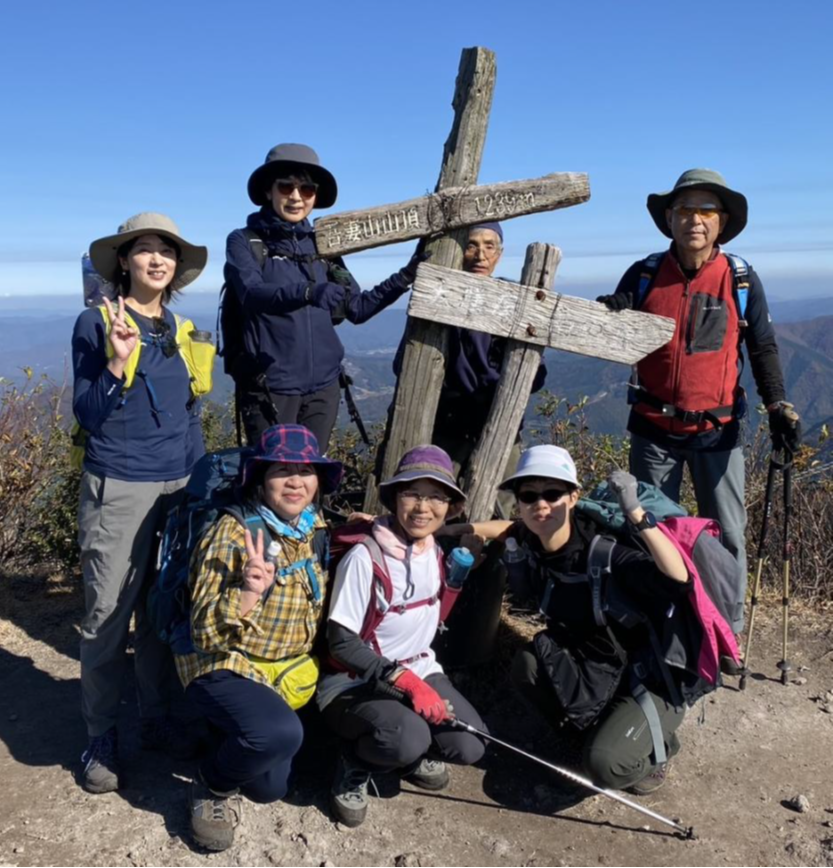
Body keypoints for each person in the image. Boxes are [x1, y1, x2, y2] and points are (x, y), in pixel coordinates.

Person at [597, 169, 801, 636]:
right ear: (669, 218)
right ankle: (661, 624)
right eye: (685, 209)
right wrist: (611, 309)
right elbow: (616, 317)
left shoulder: (740, 278)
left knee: (727, 535)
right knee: (651, 528)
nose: (695, 219)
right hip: (653, 428)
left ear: (722, 222)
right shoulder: (646, 274)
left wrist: (778, 407)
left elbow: (763, 346)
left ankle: (726, 625)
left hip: (719, 431)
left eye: (706, 209)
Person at [445, 445, 694, 794]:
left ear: (573, 497)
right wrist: (444, 531)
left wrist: (637, 514)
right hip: (591, 665)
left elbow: (677, 580)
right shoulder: (533, 537)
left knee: (606, 767)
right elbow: (508, 529)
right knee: (527, 665)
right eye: (528, 495)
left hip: (645, 676)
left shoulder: (605, 552)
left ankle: (657, 747)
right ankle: (591, 735)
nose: (540, 504)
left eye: (552, 493)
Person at [73, 213, 211, 794]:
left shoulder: (180, 328)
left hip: (177, 486)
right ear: (124, 262)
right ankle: (99, 735)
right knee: (107, 616)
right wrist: (117, 362)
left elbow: (187, 416)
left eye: (167, 252)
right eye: (145, 250)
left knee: (159, 613)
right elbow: (87, 412)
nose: (157, 259)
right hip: (120, 486)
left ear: (176, 268)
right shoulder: (96, 322)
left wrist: (202, 485)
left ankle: (154, 716)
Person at [174, 424, 343, 851]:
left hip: (284, 671)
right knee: (278, 736)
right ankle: (208, 787)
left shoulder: (313, 528)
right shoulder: (232, 533)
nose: (295, 482)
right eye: (281, 470)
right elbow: (205, 633)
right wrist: (249, 593)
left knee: (269, 788)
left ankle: (228, 734)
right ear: (259, 478)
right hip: (225, 663)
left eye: (305, 471)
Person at [318, 445, 486, 827]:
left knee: (471, 744)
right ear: (395, 499)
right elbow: (341, 643)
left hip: (421, 668)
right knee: (404, 738)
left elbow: (431, 617)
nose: (423, 507)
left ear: (450, 507)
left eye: (436, 497)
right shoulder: (366, 558)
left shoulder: (434, 550)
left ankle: (403, 749)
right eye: (412, 493)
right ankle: (357, 761)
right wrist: (406, 683)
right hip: (353, 682)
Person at [224, 143, 425, 451]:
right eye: (286, 186)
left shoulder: (323, 245)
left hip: (324, 388)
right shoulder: (245, 241)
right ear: (269, 191)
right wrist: (307, 291)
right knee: (273, 478)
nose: (296, 196)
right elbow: (251, 293)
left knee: (312, 477)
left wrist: (406, 276)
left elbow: (356, 308)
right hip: (271, 387)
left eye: (306, 189)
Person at [394, 221, 546, 517]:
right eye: (472, 245)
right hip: (445, 427)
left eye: (490, 246)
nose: (480, 255)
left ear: (499, 255)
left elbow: (534, 377)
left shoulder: (513, 301)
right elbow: (406, 365)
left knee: (502, 512)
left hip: (500, 424)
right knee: (433, 510)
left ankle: (496, 564)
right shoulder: (436, 299)